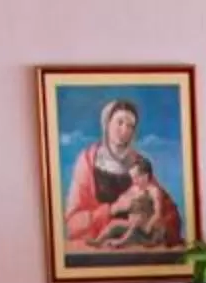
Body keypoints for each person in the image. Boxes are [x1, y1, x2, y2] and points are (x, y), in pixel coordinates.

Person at [63, 98, 184, 255]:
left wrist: (154, 222)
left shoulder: (140, 164)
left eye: (130, 126)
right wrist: (113, 209)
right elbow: (73, 223)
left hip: (136, 240)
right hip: (101, 249)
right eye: (119, 122)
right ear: (107, 124)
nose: (125, 130)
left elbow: (169, 213)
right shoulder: (88, 161)